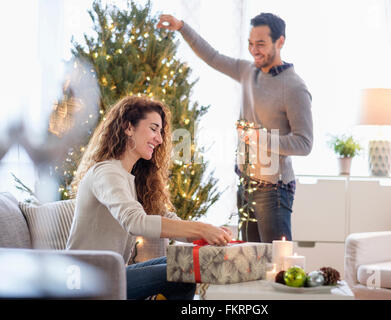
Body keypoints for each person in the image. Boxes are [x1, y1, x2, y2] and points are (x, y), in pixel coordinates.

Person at [157, 13, 313, 243]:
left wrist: (259, 138)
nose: (254, 50)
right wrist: (182, 27)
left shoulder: (294, 87)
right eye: (250, 43)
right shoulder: (248, 71)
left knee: (275, 263)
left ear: (280, 41)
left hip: (274, 190)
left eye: (261, 44)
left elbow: (304, 143)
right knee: (251, 262)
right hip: (247, 184)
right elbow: (212, 57)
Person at [66, 95, 232, 300]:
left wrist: (206, 233)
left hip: (110, 273)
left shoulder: (132, 178)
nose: (160, 139)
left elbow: (169, 220)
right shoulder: (107, 172)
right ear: (128, 127)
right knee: (182, 274)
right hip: (85, 281)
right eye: (153, 129)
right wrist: (200, 228)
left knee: (182, 266)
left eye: (161, 132)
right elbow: (136, 222)